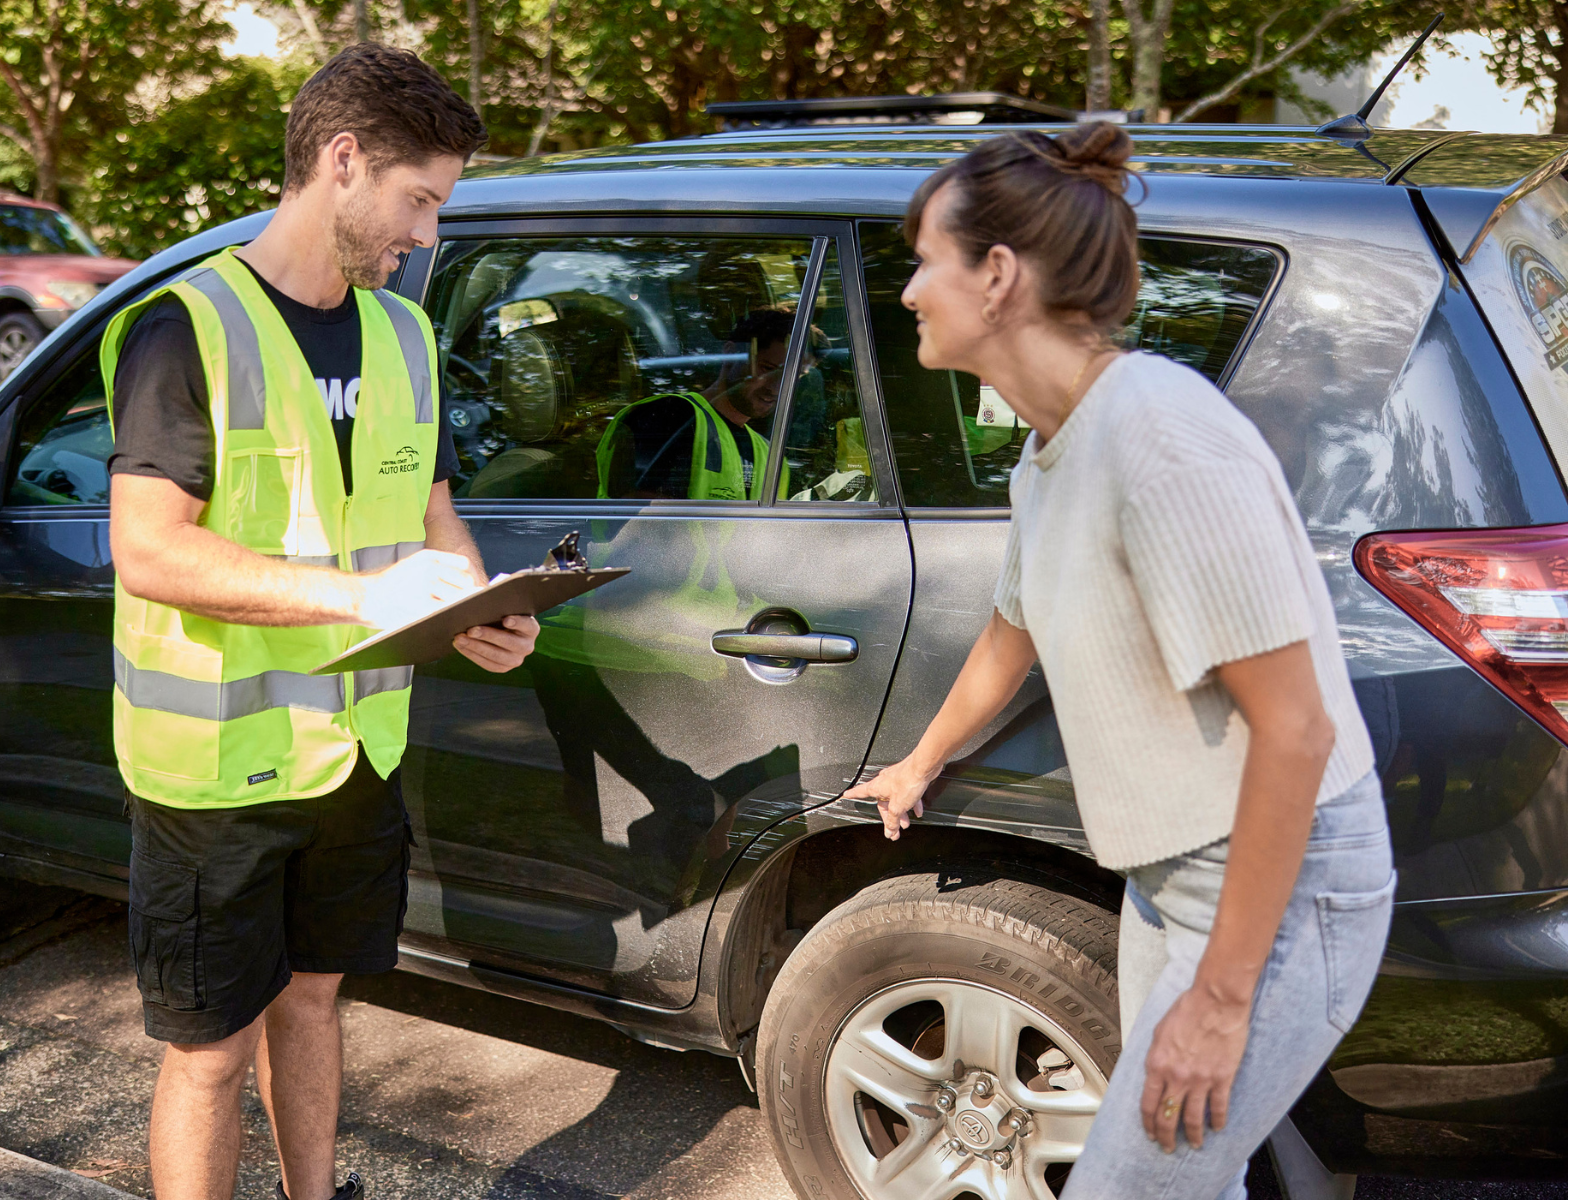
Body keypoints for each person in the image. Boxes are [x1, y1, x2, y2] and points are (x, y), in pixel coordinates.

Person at [843, 122, 1395, 1199]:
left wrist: (1224, 1002)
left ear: (997, 275)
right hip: (1171, 879)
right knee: (1192, 1184)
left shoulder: (1159, 434)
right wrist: (919, 763)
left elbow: (1297, 727)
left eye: (926, 259)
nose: (908, 289)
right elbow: (1016, 629)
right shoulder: (1056, 449)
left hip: (1280, 891)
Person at [101, 44, 539, 1200]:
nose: (429, 233)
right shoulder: (183, 328)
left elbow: (434, 517)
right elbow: (145, 549)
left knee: (312, 998)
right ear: (343, 163)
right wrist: (365, 599)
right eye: (421, 199)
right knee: (208, 1052)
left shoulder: (404, 335)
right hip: (214, 771)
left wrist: (475, 606)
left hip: (355, 750)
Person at [595, 307, 814, 500]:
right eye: (767, 368)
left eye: (793, 376)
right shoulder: (669, 418)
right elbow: (644, 531)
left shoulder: (770, 456)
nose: (777, 386)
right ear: (730, 353)